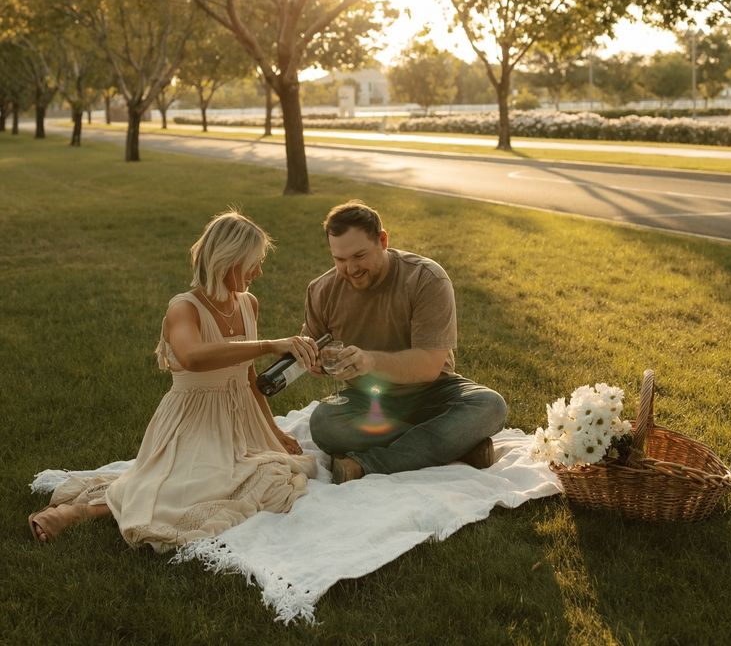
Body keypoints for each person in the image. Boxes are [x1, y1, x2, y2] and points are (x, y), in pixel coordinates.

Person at [28, 210, 320, 548]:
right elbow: (192, 357)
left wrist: (274, 431)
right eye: (253, 262)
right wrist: (270, 344)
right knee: (186, 490)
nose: (260, 271)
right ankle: (76, 513)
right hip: (192, 419)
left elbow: (249, 377)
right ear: (228, 259)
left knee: (270, 474)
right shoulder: (184, 308)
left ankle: (112, 499)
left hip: (242, 420)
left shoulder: (248, 304)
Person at [304, 201, 508, 484]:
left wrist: (369, 361)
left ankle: (367, 465)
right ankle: (458, 445)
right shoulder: (321, 290)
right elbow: (310, 346)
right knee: (324, 423)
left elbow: (428, 366)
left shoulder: (426, 278)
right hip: (367, 400)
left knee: (490, 405)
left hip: (434, 392)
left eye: (359, 255)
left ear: (383, 240)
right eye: (339, 259)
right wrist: (313, 361)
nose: (350, 268)